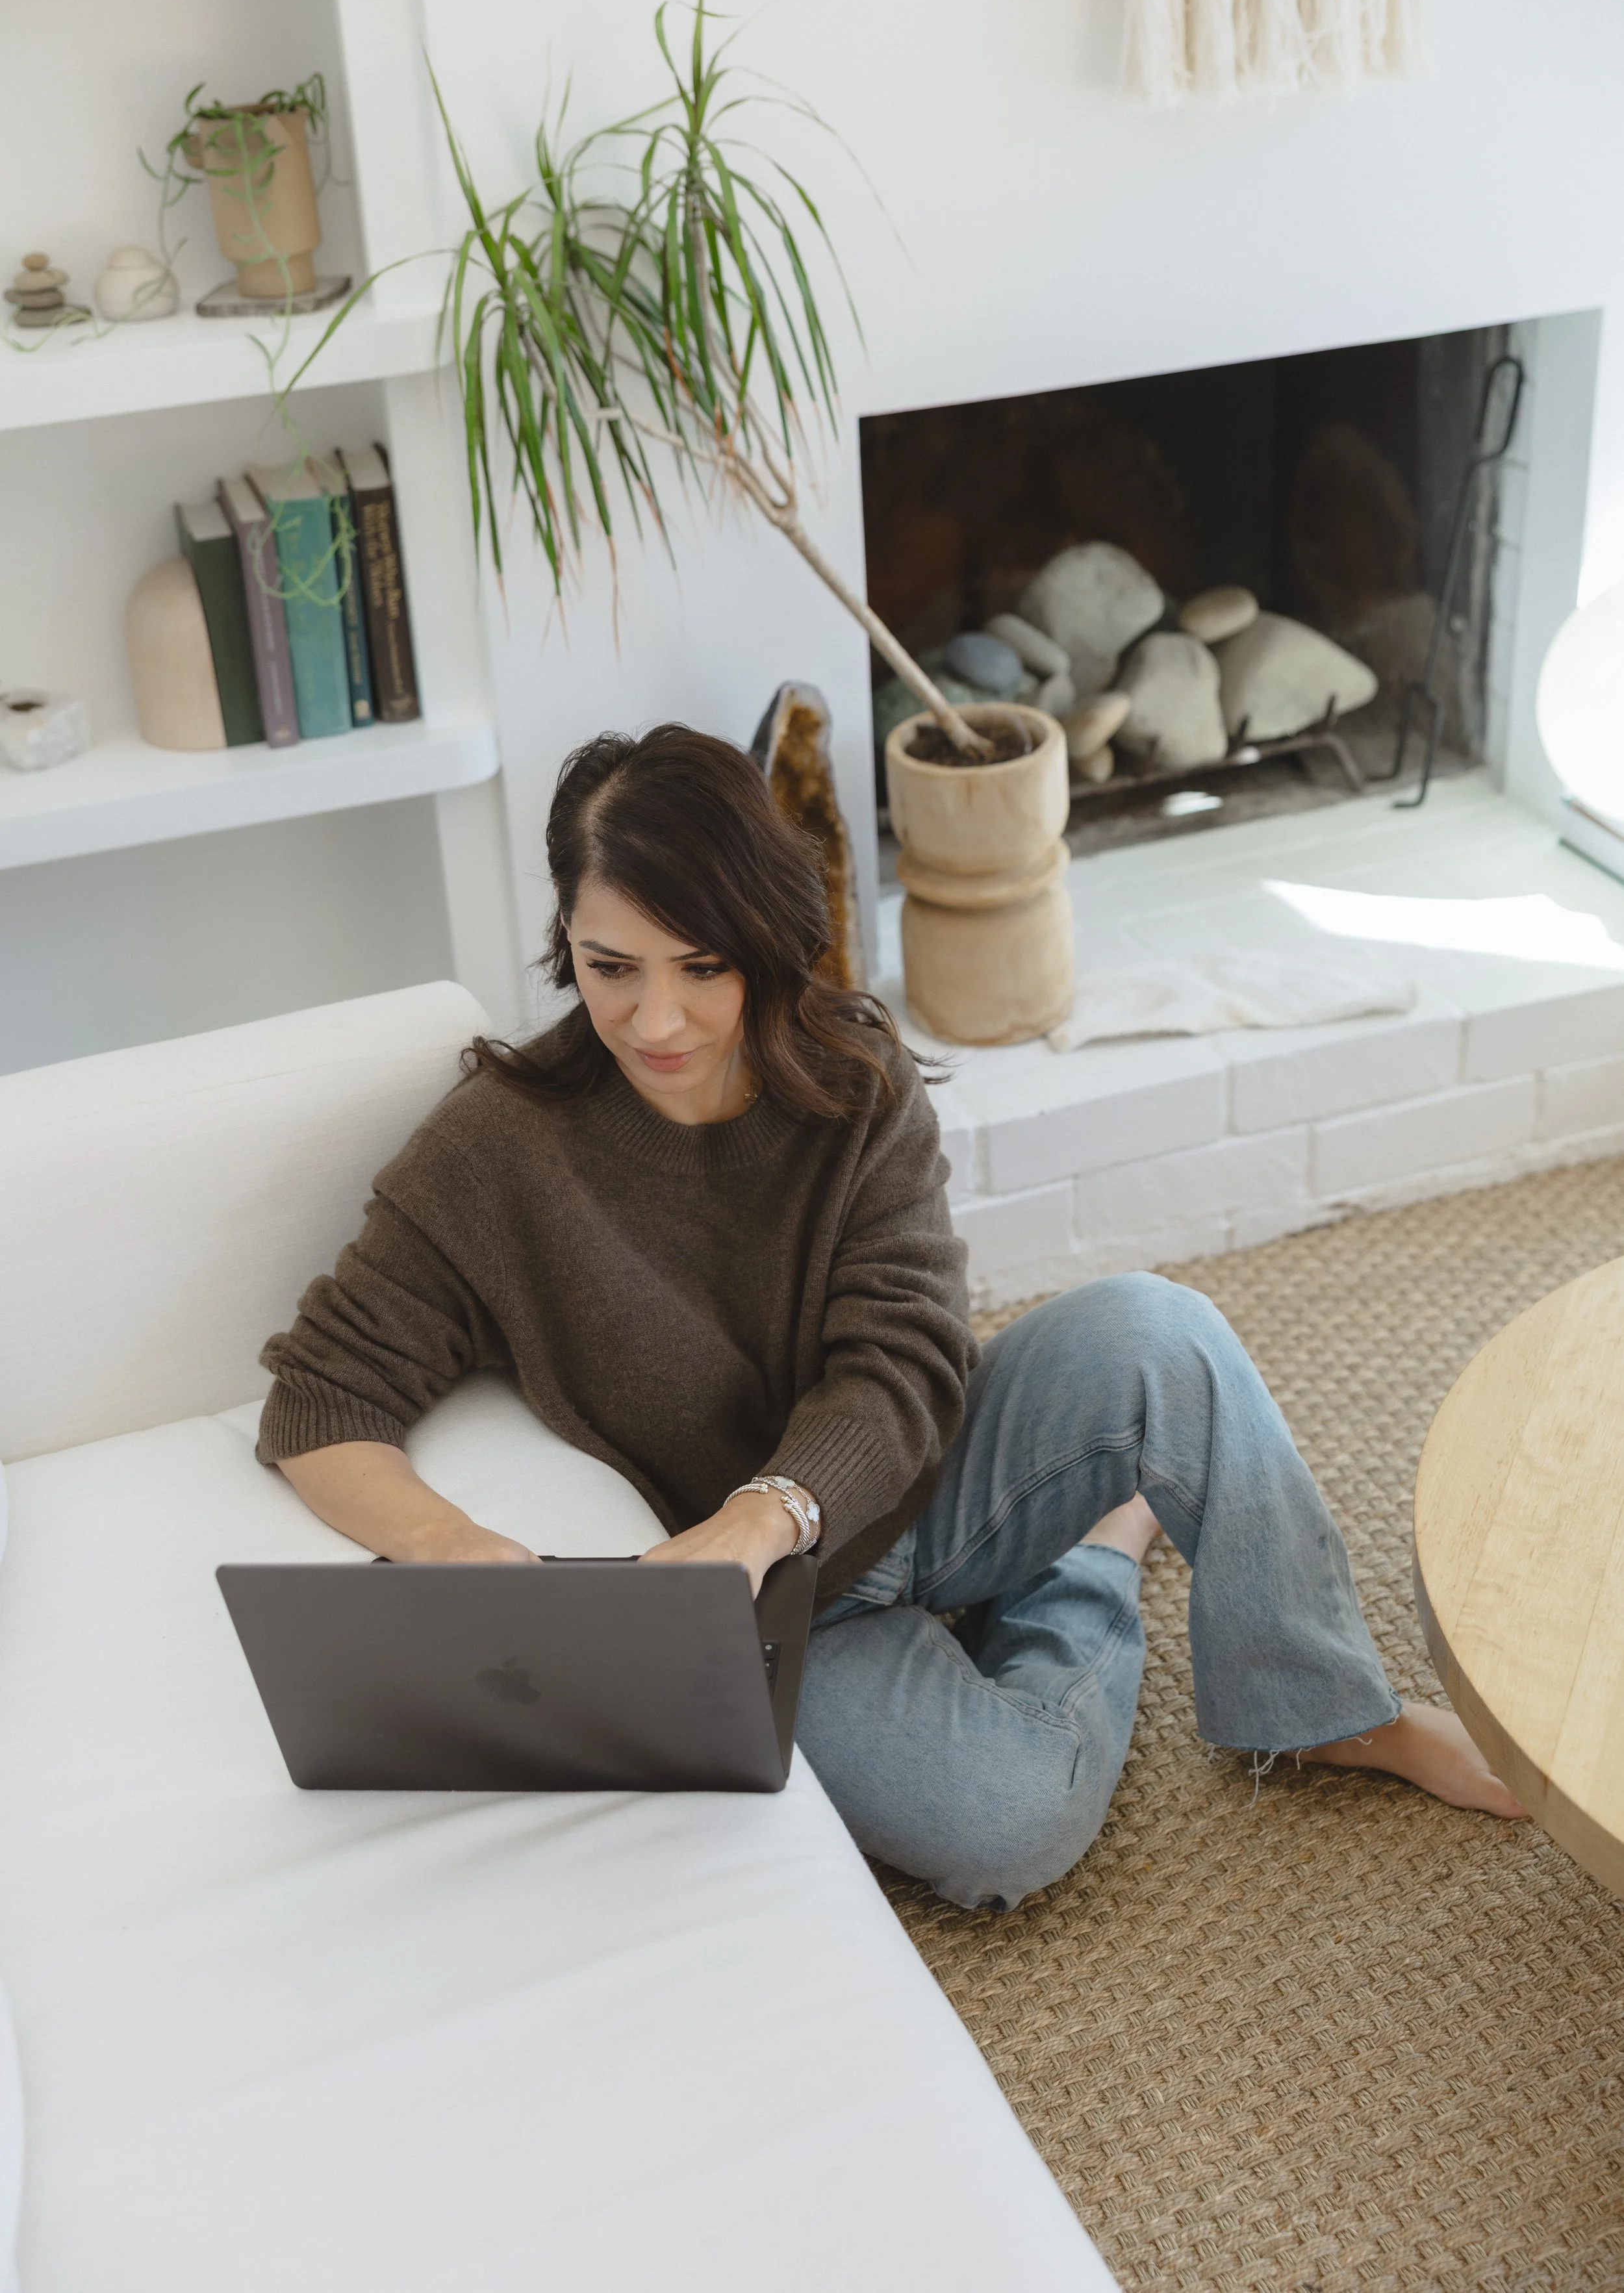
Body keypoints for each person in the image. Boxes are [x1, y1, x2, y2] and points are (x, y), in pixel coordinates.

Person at [260, 724, 1523, 1912]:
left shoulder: (852, 1075)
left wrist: (766, 1513)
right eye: (610, 967)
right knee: (1007, 1830)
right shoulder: (498, 1150)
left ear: (762, 937)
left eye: (701, 967)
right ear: (565, 944)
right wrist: (444, 1544)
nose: (655, 1019)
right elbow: (319, 1398)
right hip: (779, 1616)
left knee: (1163, 1332)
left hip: (925, 1476)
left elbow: (907, 1362)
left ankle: (1326, 1706)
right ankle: (1095, 1561)